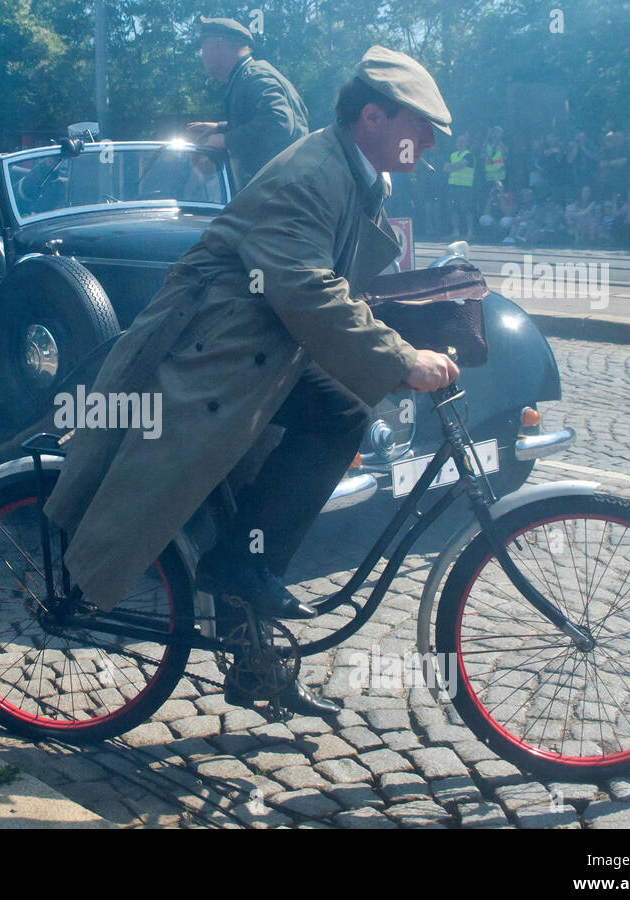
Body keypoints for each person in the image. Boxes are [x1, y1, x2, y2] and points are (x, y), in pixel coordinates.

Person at [44, 46, 459, 716]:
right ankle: (232, 571)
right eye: (422, 125)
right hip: (217, 353)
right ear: (374, 118)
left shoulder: (353, 173)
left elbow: (331, 282)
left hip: (259, 348)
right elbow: (306, 289)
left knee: (333, 423)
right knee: (220, 480)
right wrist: (398, 360)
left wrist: (417, 321)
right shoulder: (314, 173)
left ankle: (252, 637)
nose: (432, 142)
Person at [185, 16, 309, 188]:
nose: (202, 56)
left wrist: (225, 140)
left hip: (281, 196)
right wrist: (220, 127)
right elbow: (261, 121)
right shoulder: (247, 77)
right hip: (280, 191)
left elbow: (280, 124)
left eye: (203, 47)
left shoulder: (255, 77)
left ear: (218, 45)